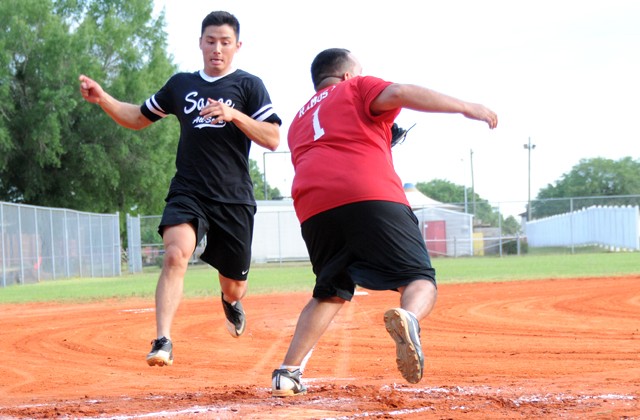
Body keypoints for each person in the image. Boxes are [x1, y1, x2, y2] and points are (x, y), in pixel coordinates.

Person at [271, 48, 497, 397]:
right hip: (367, 191)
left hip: (313, 205)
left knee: (330, 291)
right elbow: (399, 92)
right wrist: (467, 107)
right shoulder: (356, 86)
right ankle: (410, 317)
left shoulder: (299, 119)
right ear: (347, 75)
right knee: (419, 279)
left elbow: (336, 143)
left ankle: (287, 372)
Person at [79, 11, 281, 367]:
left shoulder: (250, 86)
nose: (217, 48)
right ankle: (163, 340)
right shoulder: (181, 84)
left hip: (233, 197)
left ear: (237, 46)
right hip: (189, 189)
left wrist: (235, 116)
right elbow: (138, 118)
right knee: (175, 254)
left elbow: (273, 138)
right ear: (200, 43)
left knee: (235, 284)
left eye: (225, 42)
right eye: (210, 41)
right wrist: (103, 99)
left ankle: (230, 301)